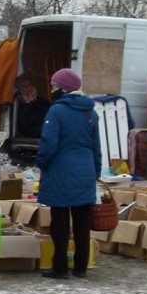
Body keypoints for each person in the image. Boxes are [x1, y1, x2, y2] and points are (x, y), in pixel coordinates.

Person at [36, 68, 101, 279]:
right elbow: (96, 147)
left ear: (63, 88)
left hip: (60, 172)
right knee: (82, 222)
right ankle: (81, 266)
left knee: (60, 221)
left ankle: (60, 266)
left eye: (55, 86)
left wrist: (42, 163)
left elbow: (48, 143)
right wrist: (95, 172)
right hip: (85, 171)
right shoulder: (90, 112)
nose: (52, 89)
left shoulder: (56, 111)